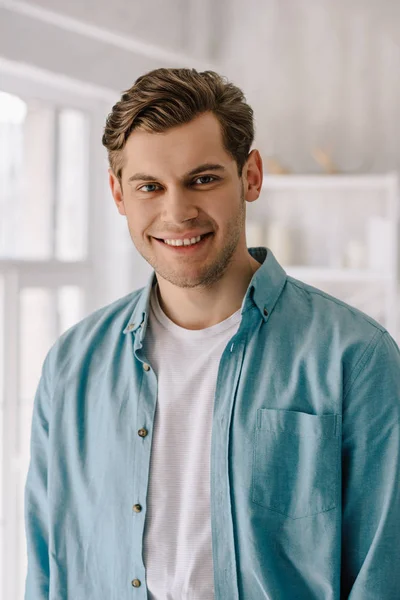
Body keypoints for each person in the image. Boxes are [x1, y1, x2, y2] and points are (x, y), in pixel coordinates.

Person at [24, 67, 400, 600]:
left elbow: (384, 576)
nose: (177, 212)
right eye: (149, 187)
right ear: (117, 194)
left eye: (203, 179)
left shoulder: (356, 358)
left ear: (251, 176)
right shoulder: (70, 366)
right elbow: (46, 567)